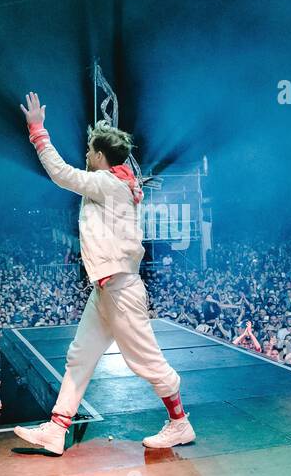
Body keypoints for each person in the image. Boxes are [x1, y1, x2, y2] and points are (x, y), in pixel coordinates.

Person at [12, 91, 192, 455]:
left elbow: (61, 173)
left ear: (100, 155)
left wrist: (37, 131)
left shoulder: (108, 183)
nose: (86, 155)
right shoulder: (114, 184)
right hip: (106, 289)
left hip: (121, 288)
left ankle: (179, 423)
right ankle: (57, 428)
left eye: (90, 149)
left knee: (145, 361)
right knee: (80, 355)